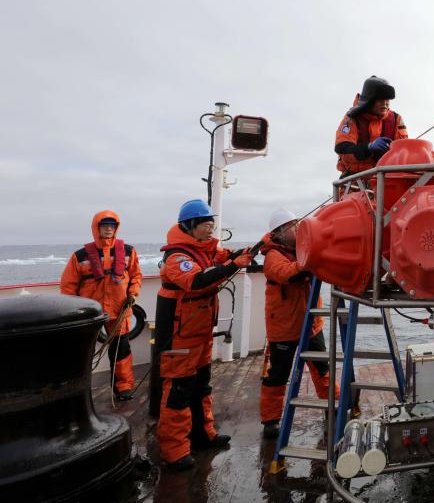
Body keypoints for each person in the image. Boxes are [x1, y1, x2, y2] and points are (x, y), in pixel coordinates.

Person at [155, 199, 254, 471]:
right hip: (179, 335)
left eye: (212, 223)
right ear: (189, 226)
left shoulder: (207, 249)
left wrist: (248, 251)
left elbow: (225, 257)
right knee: (178, 390)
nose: (210, 228)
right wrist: (234, 265)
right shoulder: (177, 258)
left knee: (202, 385)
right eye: (205, 224)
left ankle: (203, 434)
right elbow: (197, 281)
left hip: (199, 332)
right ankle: (174, 450)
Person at [258, 209, 336, 439]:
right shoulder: (273, 256)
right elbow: (288, 274)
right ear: (280, 232)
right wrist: (311, 260)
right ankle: (271, 420)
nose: (299, 227)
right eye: (293, 225)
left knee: (323, 369)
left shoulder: (301, 250)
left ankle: (332, 407)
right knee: (278, 375)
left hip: (311, 325)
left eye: (299, 223)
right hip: (284, 328)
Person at [60, 210, 142, 402]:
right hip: (90, 312)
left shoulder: (128, 251)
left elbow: (136, 276)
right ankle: (79, 389)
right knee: (84, 351)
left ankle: (123, 387)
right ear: (96, 228)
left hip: (120, 309)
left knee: (121, 350)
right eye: (104, 226)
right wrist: (74, 311)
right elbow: (68, 286)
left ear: (116, 228)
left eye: (112, 226)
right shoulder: (80, 256)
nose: (108, 229)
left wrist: (132, 294)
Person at [334, 75, 408, 177]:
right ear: (369, 100)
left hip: (387, 180)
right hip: (355, 180)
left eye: (387, 99)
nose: (385, 103)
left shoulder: (396, 119)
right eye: (380, 99)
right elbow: (342, 149)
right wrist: (368, 147)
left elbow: (404, 149)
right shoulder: (352, 118)